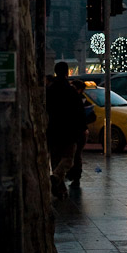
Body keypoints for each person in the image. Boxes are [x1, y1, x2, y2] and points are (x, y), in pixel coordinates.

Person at [46, 61, 85, 199]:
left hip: (53, 130)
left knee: (56, 160)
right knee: (68, 159)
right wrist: (82, 129)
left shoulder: (49, 90)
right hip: (69, 130)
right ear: (67, 72)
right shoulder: (71, 91)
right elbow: (79, 112)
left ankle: (60, 188)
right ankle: (57, 179)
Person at [67, 79, 95, 190]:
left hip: (77, 131)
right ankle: (74, 176)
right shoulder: (79, 99)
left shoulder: (79, 99)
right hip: (80, 131)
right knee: (76, 155)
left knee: (75, 154)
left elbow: (91, 115)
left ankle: (74, 176)